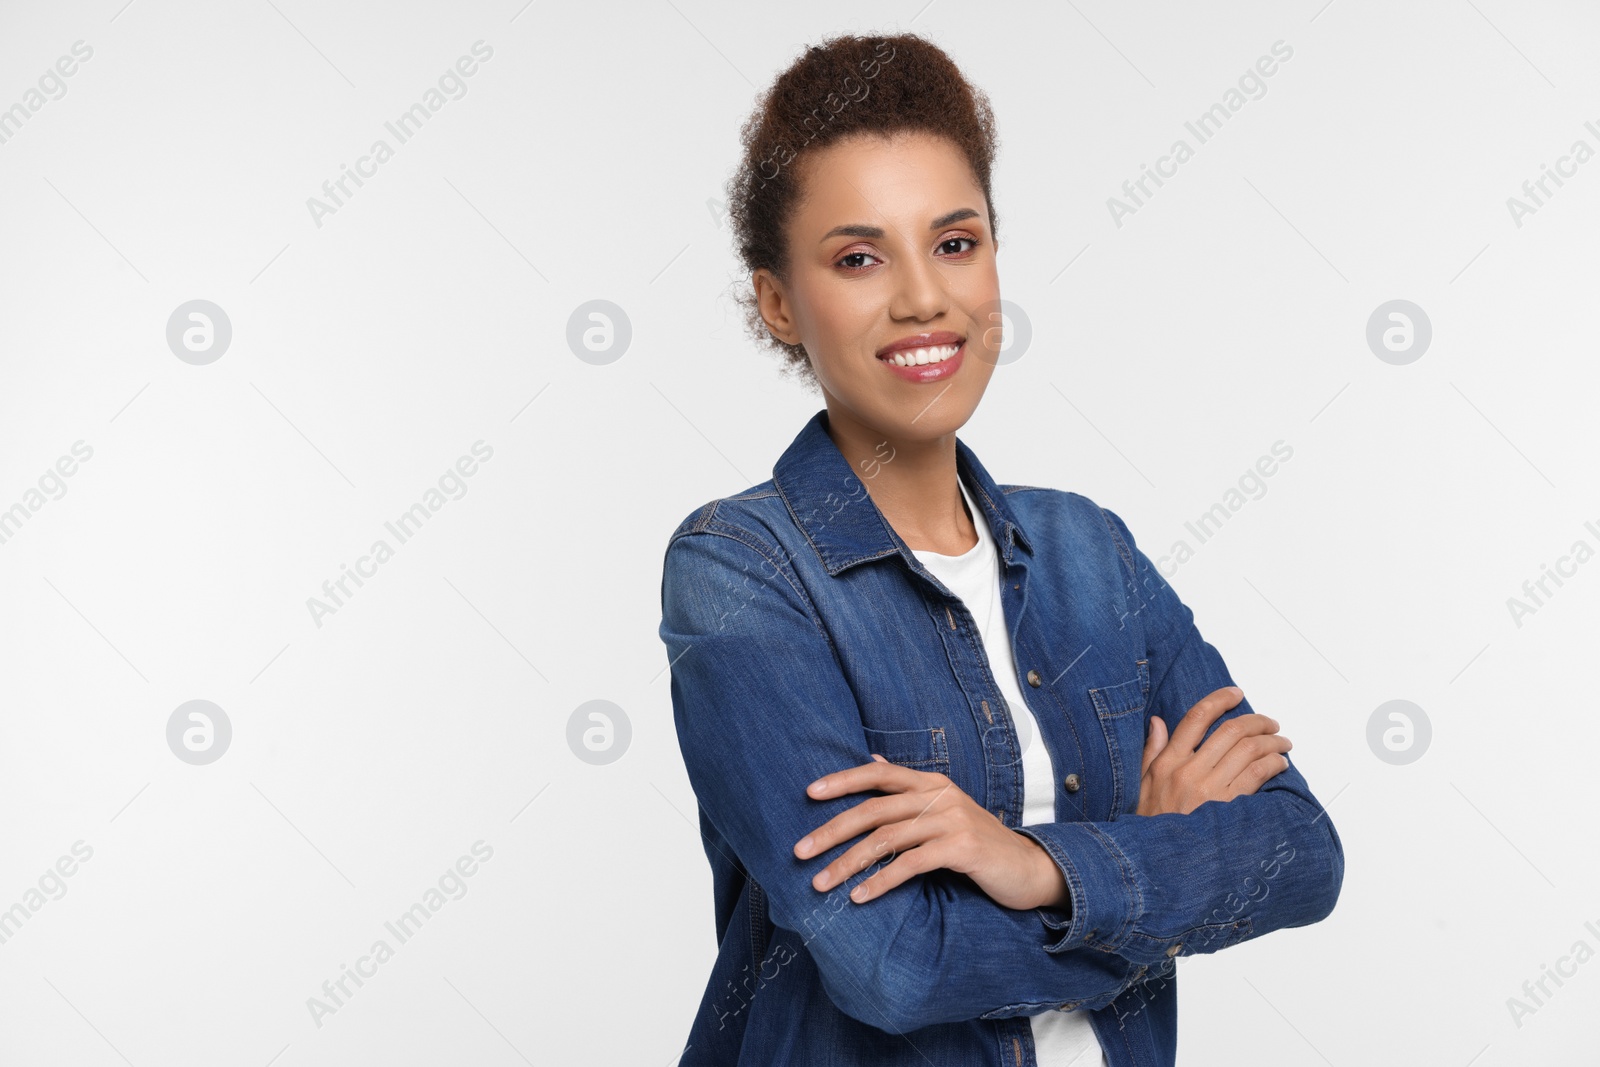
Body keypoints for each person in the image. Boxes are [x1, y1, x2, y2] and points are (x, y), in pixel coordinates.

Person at [657, 31, 1344, 1067]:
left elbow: (1300, 853)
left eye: (955, 241)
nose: (922, 297)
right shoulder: (740, 571)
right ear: (778, 302)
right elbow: (894, 965)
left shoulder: (1088, 553)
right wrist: (1139, 872)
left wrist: (1034, 864)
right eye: (857, 257)